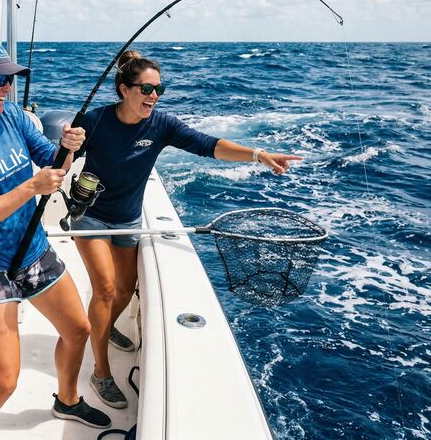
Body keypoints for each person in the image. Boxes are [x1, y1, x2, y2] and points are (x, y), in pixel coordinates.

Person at [73, 50, 301, 409]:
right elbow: (57, 159)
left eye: (158, 89)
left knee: (123, 289)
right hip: (91, 216)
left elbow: (209, 145)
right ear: (123, 89)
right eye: (145, 89)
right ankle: (100, 371)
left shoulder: (162, 125)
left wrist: (258, 155)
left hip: (129, 217)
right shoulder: (96, 120)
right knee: (103, 288)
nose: (153, 96)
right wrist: (67, 146)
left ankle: (107, 325)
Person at [0, 39, 111, 439]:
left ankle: (66, 399)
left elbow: (49, 158)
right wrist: (32, 187)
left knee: (78, 329)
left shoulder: (11, 115)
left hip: (33, 249)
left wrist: (67, 148)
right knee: (3, 382)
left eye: (9, 79)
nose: (5, 88)